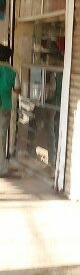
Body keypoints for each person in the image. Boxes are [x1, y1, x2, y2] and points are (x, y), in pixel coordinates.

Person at [0, 44, 19, 178]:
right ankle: (2, 167)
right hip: (5, 106)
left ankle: (2, 165)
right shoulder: (12, 71)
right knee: (1, 136)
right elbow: (17, 89)